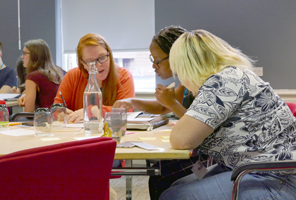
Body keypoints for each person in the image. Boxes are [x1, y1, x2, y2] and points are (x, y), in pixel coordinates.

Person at [159, 29, 296, 200]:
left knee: (173, 196)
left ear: (188, 67)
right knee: (178, 185)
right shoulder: (234, 75)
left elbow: (181, 139)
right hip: (261, 169)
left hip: (273, 178)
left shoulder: (222, 83)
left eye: (179, 72)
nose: (181, 80)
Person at [113, 26, 199, 200]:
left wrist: (173, 103)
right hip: (197, 153)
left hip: (207, 162)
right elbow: (162, 107)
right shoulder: (185, 81)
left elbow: (195, 124)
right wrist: (133, 101)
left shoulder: (198, 82)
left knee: (163, 175)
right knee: (160, 171)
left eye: (157, 60)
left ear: (176, 56)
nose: (154, 65)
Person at [53, 33, 135, 123]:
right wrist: (60, 113)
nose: (98, 65)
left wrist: (92, 111)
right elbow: (57, 108)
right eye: (91, 61)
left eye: (102, 57)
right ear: (83, 63)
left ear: (109, 55)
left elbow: (126, 110)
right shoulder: (72, 76)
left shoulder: (124, 76)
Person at [19, 39, 64, 112]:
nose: (22, 57)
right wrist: (25, 95)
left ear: (34, 55)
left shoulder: (33, 77)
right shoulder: (57, 73)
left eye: (24, 53)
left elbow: (28, 113)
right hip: (60, 118)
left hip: (44, 120)